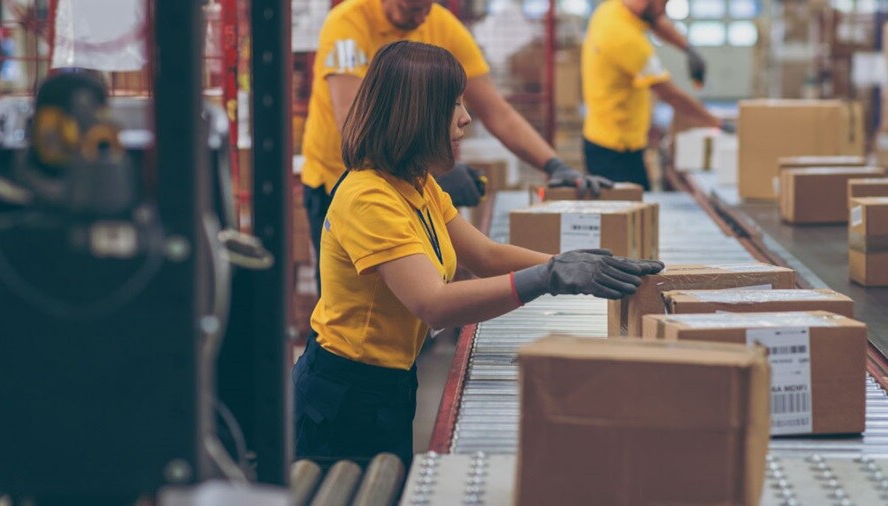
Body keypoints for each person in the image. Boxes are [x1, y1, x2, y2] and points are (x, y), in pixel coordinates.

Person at [292, 40, 665, 469]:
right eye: (453, 105)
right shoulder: (368, 198)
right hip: (343, 396)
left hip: (389, 382)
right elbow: (433, 305)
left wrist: (570, 263)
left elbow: (483, 255)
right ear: (417, 114)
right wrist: (547, 279)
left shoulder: (416, 182)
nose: (466, 118)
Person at [300, 0, 615, 291]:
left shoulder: (440, 23)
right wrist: (545, 277)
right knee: (364, 293)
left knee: (408, 297)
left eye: (427, 7)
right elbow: (355, 120)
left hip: (406, 177)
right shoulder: (347, 24)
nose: (422, 17)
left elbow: (497, 111)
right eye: (411, 9)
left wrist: (554, 165)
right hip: (338, 177)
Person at [581, 0, 731, 190]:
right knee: (631, 211)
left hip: (615, 139)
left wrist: (689, 49)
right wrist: (717, 123)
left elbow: (656, 21)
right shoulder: (626, 40)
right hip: (614, 151)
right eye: (664, 3)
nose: (665, 10)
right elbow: (670, 95)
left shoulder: (615, 8)